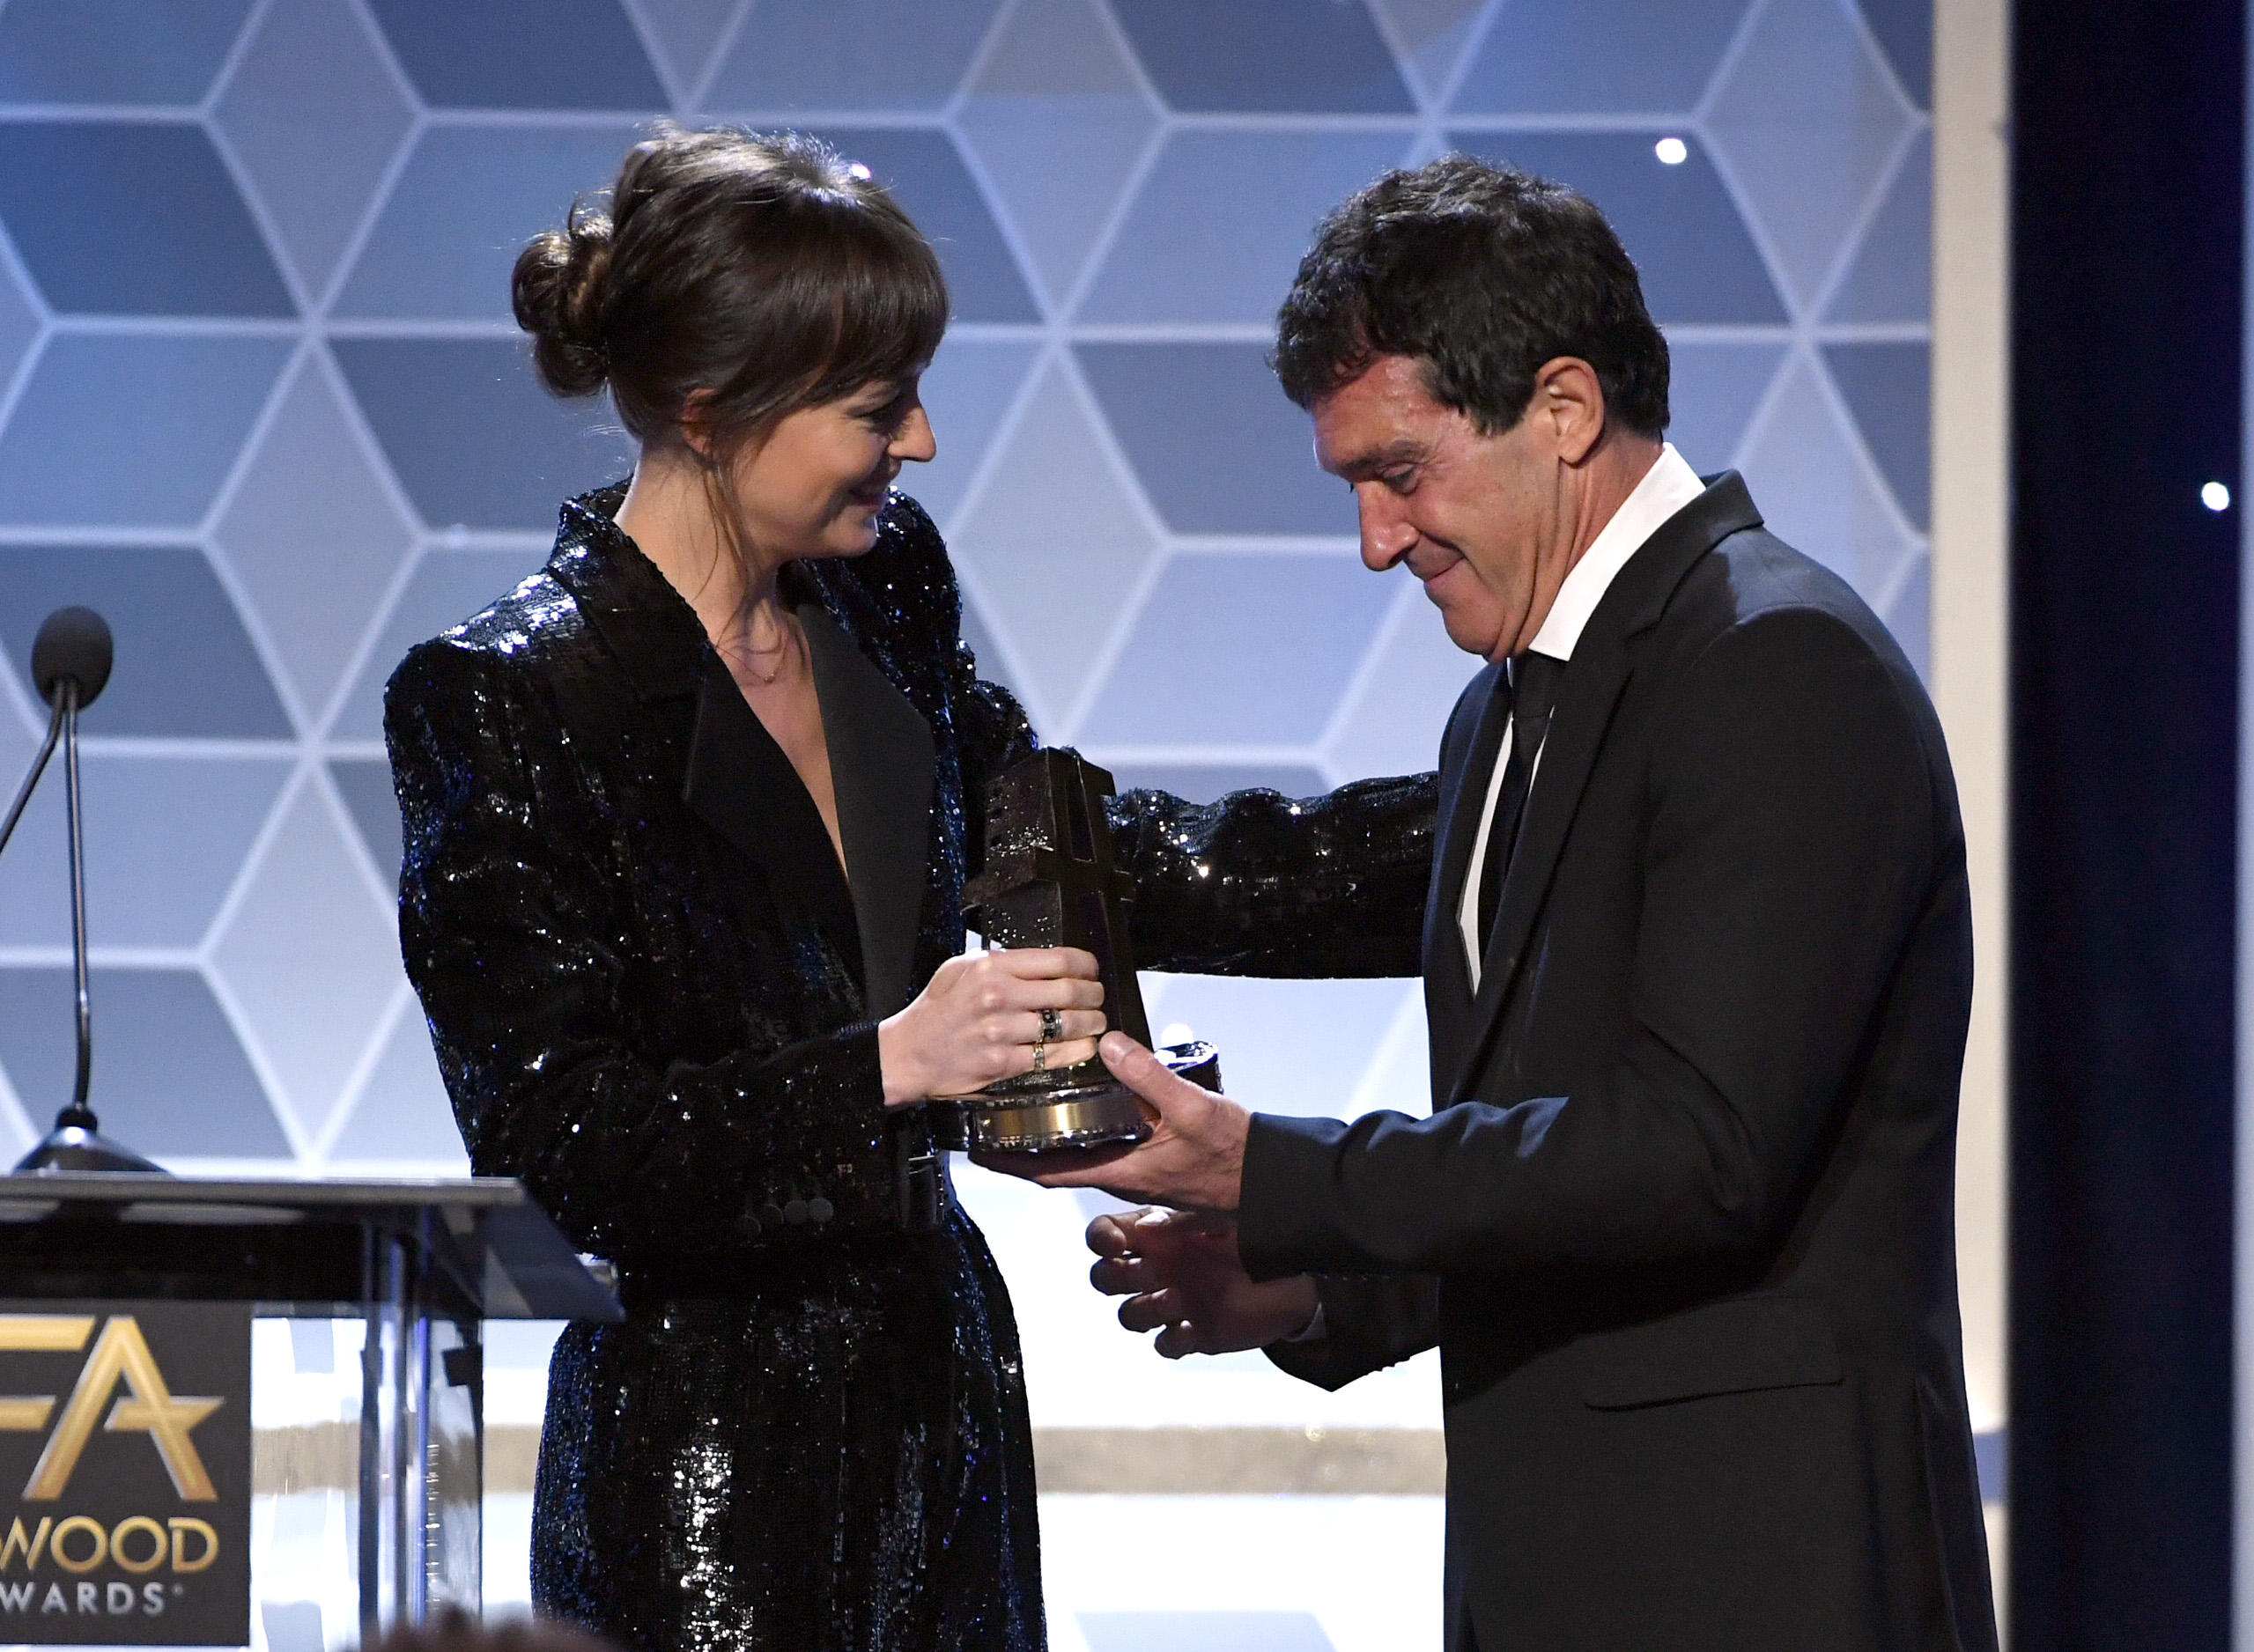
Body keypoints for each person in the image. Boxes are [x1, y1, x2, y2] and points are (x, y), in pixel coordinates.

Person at [383, 127, 1434, 1652]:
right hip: (706, 1461)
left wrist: (1500, 826)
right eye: (879, 408)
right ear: (712, 410)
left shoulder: (883, 593)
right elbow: (564, 1146)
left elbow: (1089, 858)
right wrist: (894, 1065)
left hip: (941, 1406)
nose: (923, 442)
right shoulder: (507, 698)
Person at [1002, 157, 1999, 1652]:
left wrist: (1266, 1171)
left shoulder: (1781, 668)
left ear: (1565, 411)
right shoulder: (1512, 709)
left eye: (1399, 475)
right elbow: (1552, 1174)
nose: (1377, 541)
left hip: (1761, 1572)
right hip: (1566, 1564)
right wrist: (1319, 1300)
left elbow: (1697, 1154)